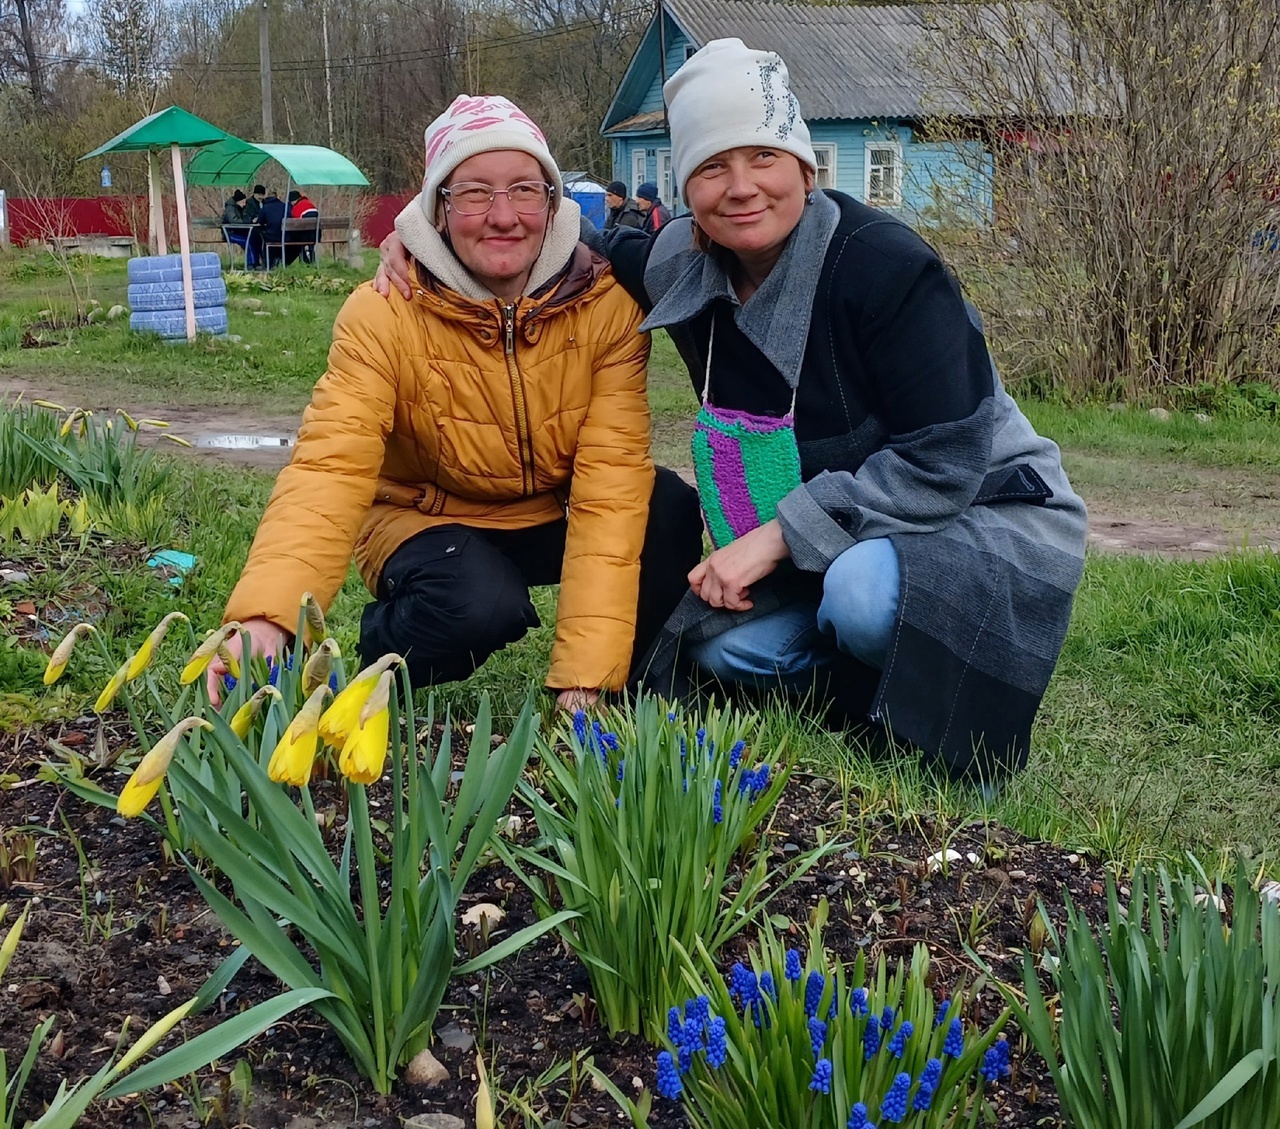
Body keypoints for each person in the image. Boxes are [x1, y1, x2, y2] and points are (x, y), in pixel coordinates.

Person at [378, 41, 1088, 782]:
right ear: (687, 187)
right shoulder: (683, 263)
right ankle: (864, 691)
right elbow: (563, 233)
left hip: (982, 509)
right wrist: (421, 233)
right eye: (713, 166)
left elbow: (945, 461)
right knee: (720, 650)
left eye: (765, 159)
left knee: (863, 596)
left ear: (806, 169)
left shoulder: (887, 268)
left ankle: (930, 711)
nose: (742, 187)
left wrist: (779, 536)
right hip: (843, 528)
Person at [213, 95, 702, 713]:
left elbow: (609, 485)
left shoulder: (604, 307)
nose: (503, 216)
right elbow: (328, 468)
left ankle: (629, 690)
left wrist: (583, 680)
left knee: (668, 507)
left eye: (525, 189)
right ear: (437, 209)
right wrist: (269, 617)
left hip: (547, 507)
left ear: (553, 203)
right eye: (473, 193)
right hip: (425, 514)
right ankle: (368, 669)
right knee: (478, 604)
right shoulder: (384, 311)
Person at [257, 188, 288, 267]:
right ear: (277, 197)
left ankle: (267, 263)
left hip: (271, 236)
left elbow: (260, 222)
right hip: (285, 236)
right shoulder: (284, 206)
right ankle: (279, 260)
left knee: (263, 238)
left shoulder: (266, 207)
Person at [287, 189, 319, 263]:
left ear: (293, 201)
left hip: (305, 235)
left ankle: (305, 260)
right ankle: (312, 261)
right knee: (309, 243)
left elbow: (295, 223)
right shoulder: (309, 203)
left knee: (296, 241)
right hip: (315, 235)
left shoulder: (296, 208)